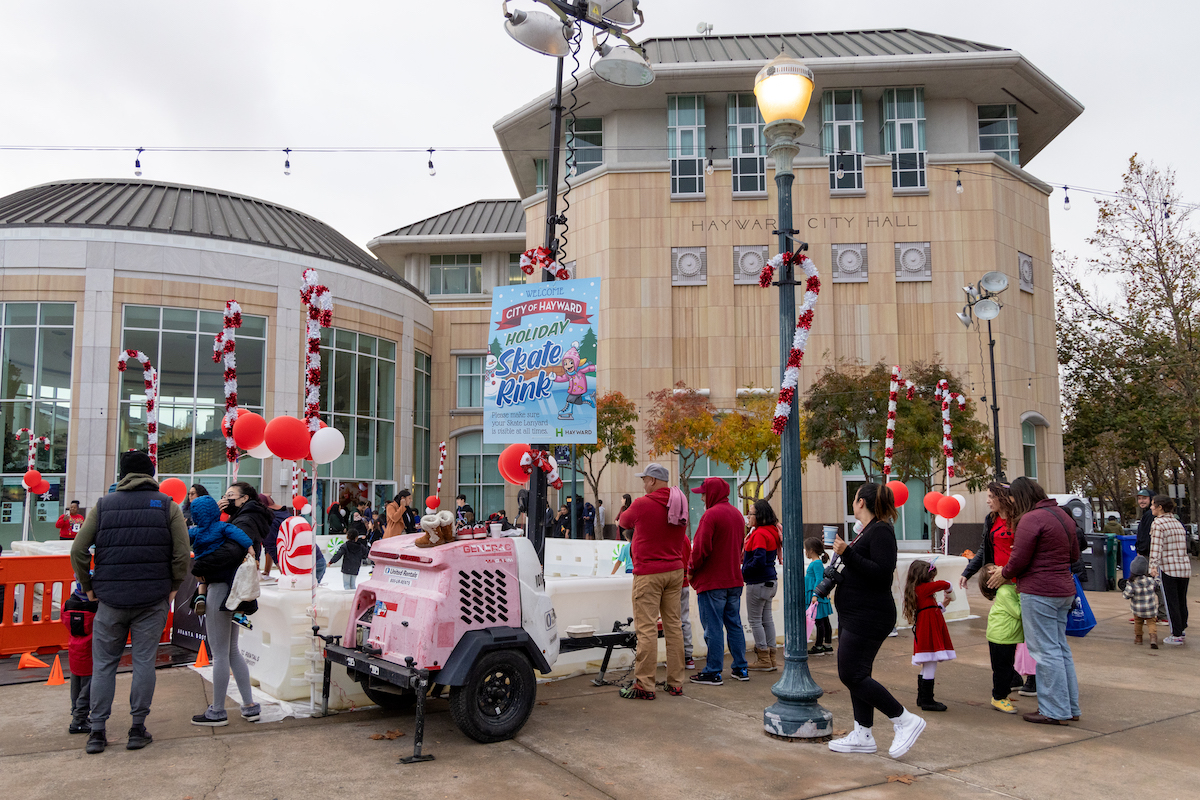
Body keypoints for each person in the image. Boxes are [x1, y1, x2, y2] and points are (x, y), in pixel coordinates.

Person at [69, 450, 190, 755]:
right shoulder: (167, 506)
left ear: (122, 475)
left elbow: (78, 551)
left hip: (110, 599)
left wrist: (90, 587)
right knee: (143, 662)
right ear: (151, 473)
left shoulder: (104, 505)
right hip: (153, 598)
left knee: (104, 665)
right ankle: (137, 728)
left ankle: (96, 732)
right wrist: (174, 585)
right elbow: (181, 551)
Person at [822, 482, 926, 758]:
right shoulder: (867, 531)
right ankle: (863, 734)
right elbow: (858, 569)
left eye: (854, 498)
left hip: (869, 615)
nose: (852, 503)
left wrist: (847, 553)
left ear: (861, 503)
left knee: (851, 674)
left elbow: (881, 573)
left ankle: (904, 720)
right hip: (855, 613)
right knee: (858, 674)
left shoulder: (881, 531)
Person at [998, 476, 1081, 725]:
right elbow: (1074, 554)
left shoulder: (1030, 519)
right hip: (1064, 589)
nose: (1010, 502)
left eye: (1012, 497)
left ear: (1020, 496)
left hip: (1039, 591)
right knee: (1060, 650)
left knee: (1045, 653)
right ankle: (1070, 707)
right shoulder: (1062, 515)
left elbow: (1019, 559)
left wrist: (1002, 574)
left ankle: (1053, 710)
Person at [187, 495, 261, 727]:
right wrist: (251, 552)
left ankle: (217, 710)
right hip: (235, 591)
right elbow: (245, 539)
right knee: (232, 651)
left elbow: (178, 538)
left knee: (219, 654)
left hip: (216, 591)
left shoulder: (196, 532)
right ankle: (249, 705)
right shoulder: (226, 528)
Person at [617, 463, 688, 700]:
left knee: (646, 628)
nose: (643, 484)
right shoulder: (680, 501)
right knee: (674, 627)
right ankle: (676, 682)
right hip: (675, 570)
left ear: (654, 481)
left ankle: (645, 685)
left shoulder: (642, 504)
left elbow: (623, 523)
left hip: (648, 573)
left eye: (645, 480)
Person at [960, 483, 1032, 696]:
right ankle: (1013, 675)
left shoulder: (1021, 519)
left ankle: (1034, 677)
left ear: (1003, 497)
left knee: (1028, 627)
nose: (987, 500)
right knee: (1007, 628)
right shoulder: (990, 520)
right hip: (1000, 581)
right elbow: (984, 548)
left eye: (991, 496)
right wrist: (968, 572)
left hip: (1021, 579)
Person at [686, 478, 746, 685]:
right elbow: (740, 547)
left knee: (713, 628)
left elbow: (700, 548)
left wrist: (691, 571)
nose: (702, 497)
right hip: (734, 579)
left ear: (711, 493)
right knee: (734, 625)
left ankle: (713, 671)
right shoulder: (738, 515)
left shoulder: (710, 515)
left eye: (703, 493)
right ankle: (740, 668)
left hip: (713, 582)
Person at [902, 560, 956, 713]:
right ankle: (927, 700)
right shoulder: (924, 588)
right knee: (930, 663)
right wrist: (950, 589)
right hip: (929, 632)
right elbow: (946, 584)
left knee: (928, 664)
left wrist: (943, 604)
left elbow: (931, 609)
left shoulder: (920, 590)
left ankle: (923, 698)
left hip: (927, 630)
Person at [978, 562, 1024, 713]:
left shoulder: (1009, 588)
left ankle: (1002, 695)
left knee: (1005, 668)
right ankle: (998, 697)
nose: (998, 568)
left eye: (996, 566)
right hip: (1001, 637)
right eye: (993, 570)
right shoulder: (1005, 592)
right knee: (1002, 669)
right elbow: (1018, 613)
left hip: (1006, 636)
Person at [744, 500, 783, 669]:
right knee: (767, 620)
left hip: (757, 582)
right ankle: (771, 657)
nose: (748, 516)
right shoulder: (773, 531)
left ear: (758, 516)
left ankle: (763, 658)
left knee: (755, 620)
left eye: (751, 513)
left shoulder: (759, 534)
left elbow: (758, 560)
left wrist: (743, 571)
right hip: (770, 580)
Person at [1148, 495, 1190, 644]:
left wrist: (1153, 566)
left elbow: (1156, 547)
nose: (1151, 507)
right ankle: (1182, 629)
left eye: (1153, 505)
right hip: (1183, 567)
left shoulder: (1158, 524)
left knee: (1171, 602)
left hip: (1168, 569)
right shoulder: (1178, 523)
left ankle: (1176, 633)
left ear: (1160, 507)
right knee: (1181, 600)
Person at [62, 584, 98, 734]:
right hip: (90, 654)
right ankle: (79, 719)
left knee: (75, 685)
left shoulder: (67, 608)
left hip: (74, 651)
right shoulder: (95, 612)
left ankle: (76, 713)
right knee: (87, 689)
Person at [220, 482, 273, 561]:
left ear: (244, 498)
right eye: (224, 496)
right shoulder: (247, 516)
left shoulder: (244, 521)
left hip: (238, 569)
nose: (225, 500)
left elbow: (234, 549)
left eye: (230, 495)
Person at [1123, 555, 1160, 648]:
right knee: (1151, 623)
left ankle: (1139, 638)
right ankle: (1153, 638)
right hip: (1150, 609)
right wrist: (1156, 577)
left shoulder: (1132, 583)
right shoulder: (1150, 580)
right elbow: (1158, 584)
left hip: (1138, 610)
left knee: (1138, 623)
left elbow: (1127, 595)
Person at [804, 537, 832, 658]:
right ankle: (827, 644)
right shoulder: (817, 563)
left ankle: (819, 645)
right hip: (820, 595)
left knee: (819, 621)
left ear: (811, 550)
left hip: (816, 596)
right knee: (824, 621)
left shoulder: (816, 563)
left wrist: (815, 594)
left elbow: (819, 579)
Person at [258, 493, 289, 577]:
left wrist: (285, 575)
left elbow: (271, 546)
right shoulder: (284, 512)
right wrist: (266, 571)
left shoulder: (271, 519)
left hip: (293, 560)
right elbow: (269, 548)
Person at [1134, 487, 1155, 557]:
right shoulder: (1146, 514)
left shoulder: (1150, 514)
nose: (1141, 501)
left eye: (1144, 498)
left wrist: (1141, 551)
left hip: (1148, 554)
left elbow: (1147, 535)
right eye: (1139, 499)